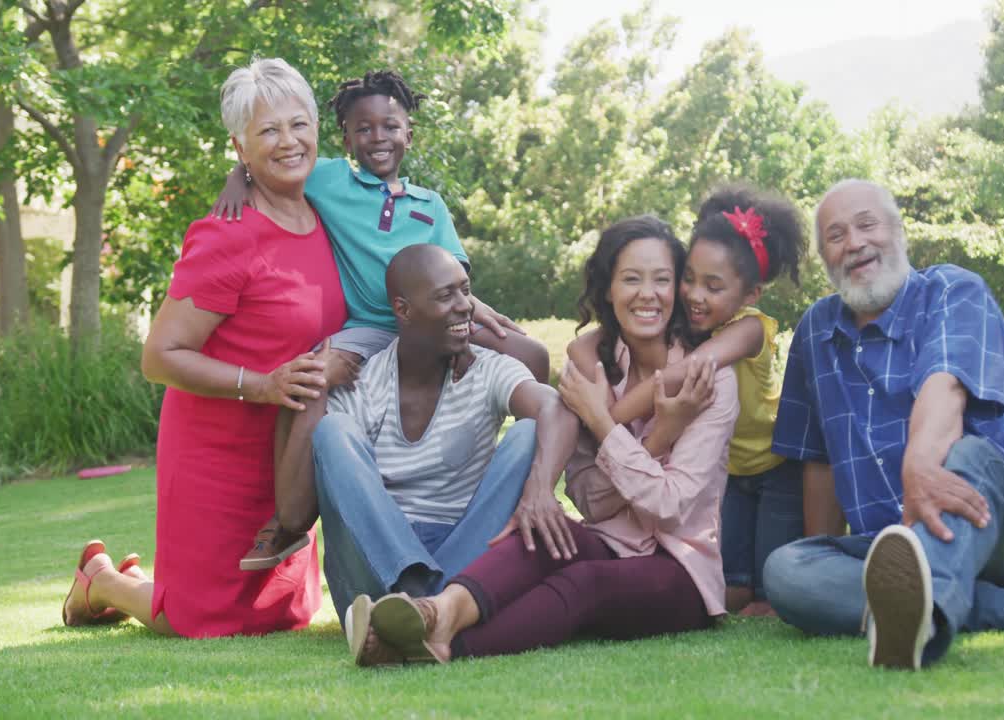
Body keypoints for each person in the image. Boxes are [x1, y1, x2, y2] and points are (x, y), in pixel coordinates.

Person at [346, 215, 740, 666]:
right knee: (537, 538)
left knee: (583, 583)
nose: (647, 293)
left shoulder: (710, 379)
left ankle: (438, 645)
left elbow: (670, 505)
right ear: (608, 291)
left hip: (682, 570)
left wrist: (602, 422)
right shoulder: (588, 374)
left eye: (662, 279)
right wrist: (655, 440)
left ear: (677, 290)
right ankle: (438, 611)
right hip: (611, 540)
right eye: (631, 279)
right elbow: (594, 504)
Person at [211, 69, 550, 569]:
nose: (378, 137)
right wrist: (234, 179)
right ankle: (286, 522)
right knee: (313, 379)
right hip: (369, 326)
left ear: (409, 133)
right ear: (345, 137)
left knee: (530, 352)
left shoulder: (428, 204)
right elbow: (270, 160)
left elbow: (452, 272)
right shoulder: (329, 179)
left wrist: (467, 314)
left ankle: (532, 486)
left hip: (431, 321)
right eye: (363, 128)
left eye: (390, 126)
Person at [761, 179, 1004, 670]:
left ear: (899, 232)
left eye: (867, 224)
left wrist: (919, 462)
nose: (854, 243)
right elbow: (819, 462)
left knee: (964, 456)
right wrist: (826, 555)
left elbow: (946, 387)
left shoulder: (954, 290)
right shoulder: (815, 330)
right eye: (835, 235)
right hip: (895, 545)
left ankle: (925, 619)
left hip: (998, 524)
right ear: (823, 257)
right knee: (787, 570)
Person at [62, 58, 344, 637]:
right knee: (199, 620)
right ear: (239, 146)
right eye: (268, 131)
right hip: (217, 452)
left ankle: (123, 580)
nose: (289, 142)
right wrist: (261, 383)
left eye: (299, 124)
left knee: (287, 615)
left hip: (287, 457)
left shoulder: (333, 209)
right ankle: (101, 579)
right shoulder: (226, 235)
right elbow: (159, 356)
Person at [276, 243, 575, 664]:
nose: (464, 308)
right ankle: (422, 605)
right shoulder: (364, 384)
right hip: (371, 570)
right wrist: (317, 387)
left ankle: (411, 617)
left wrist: (542, 488)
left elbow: (556, 407)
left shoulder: (487, 369)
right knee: (333, 428)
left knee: (529, 432)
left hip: (460, 554)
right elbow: (292, 515)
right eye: (444, 296)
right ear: (404, 309)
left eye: (465, 291)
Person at [601, 184, 806, 616]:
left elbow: (683, 372)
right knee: (732, 588)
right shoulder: (699, 324)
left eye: (713, 286)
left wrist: (608, 418)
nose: (694, 295)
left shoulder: (750, 328)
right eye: (689, 279)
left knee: (770, 594)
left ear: (750, 294)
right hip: (732, 475)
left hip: (776, 469)